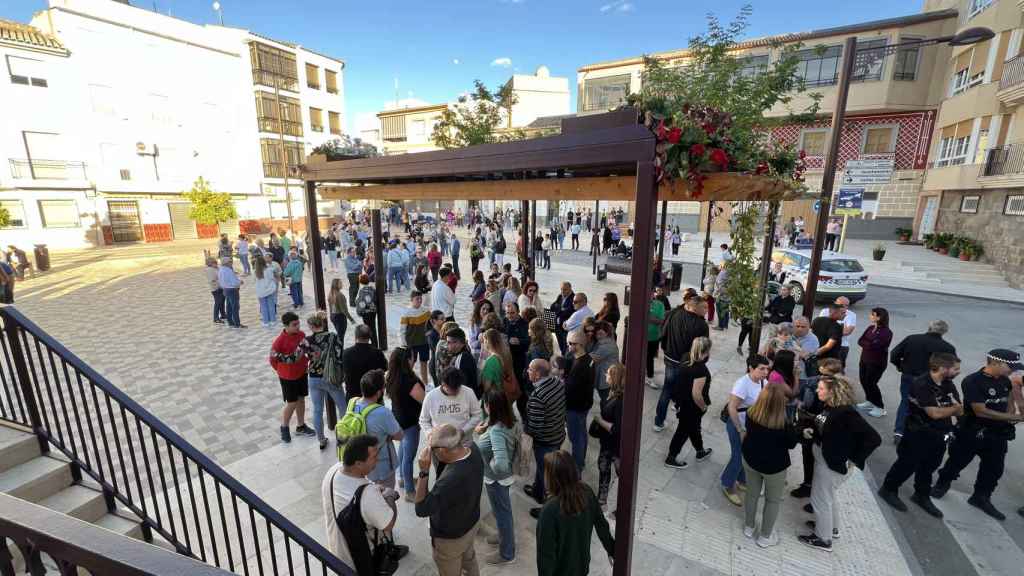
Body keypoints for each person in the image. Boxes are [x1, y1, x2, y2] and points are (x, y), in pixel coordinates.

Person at [931, 349, 1024, 521]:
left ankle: (981, 497)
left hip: (997, 434)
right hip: (972, 431)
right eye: (1009, 366)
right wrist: (1015, 417)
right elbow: (980, 411)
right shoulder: (973, 381)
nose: (1013, 370)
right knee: (957, 461)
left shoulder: (1005, 381)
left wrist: (1011, 416)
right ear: (995, 363)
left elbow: (1009, 403)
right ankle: (942, 484)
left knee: (994, 469)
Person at [798, 374, 881, 552]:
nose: (817, 390)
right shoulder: (829, 406)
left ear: (832, 392)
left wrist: (854, 459)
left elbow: (874, 438)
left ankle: (823, 539)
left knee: (820, 499)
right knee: (828, 497)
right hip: (824, 458)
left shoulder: (846, 413)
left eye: (821, 388)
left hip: (832, 464)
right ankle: (831, 529)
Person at [877, 353, 962, 518]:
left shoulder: (948, 384)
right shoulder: (922, 384)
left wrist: (955, 412)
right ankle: (888, 489)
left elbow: (959, 408)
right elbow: (934, 413)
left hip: (939, 434)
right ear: (943, 368)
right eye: (955, 369)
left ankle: (921, 495)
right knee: (907, 464)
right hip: (918, 433)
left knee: (930, 466)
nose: (958, 372)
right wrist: (954, 409)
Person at [321, 434, 406, 570]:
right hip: (359, 558)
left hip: (337, 547)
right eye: (373, 457)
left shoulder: (333, 471)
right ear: (358, 463)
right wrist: (389, 496)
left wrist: (375, 488)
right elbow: (388, 524)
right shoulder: (367, 495)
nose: (377, 460)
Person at [415, 424, 485, 576]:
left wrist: (423, 471)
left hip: (450, 538)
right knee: (469, 559)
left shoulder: (449, 480)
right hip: (471, 522)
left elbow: (421, 508)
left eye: (432, 448)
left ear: (442, 451)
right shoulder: (473, 449)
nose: (430, 451)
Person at [535, 450, 614, 576]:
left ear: (552, 478)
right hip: (582, 568)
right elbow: (601, 525)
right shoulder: (586, 492)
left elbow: (545, 557)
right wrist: (612, 550)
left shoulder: (549, 511)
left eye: (545, 472)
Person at [742, 384, 799, 548]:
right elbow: (792, 444)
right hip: (774, 468)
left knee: (752, 494)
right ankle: (765, 537)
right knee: (772, 501)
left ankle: (749, 526)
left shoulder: (751, 414)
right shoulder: (784, 424)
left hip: (751, 459)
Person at [890, 319, 956, 444]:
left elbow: (894, 354)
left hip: (909, 376)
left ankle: (899, 431)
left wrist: (901, 367)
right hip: (931, 381)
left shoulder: (912, 339)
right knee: (929, 405)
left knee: (906, 403)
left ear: (929, 327)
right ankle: (920, 433)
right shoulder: (947, 348)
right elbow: (952, 368)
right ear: (944, 332)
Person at [475, 389, 519, 565]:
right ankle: (502, 536)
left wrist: (489, 463)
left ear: (489, 407)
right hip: (503, 478)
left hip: (496, 479)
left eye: (485, 404)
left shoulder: (496, 431)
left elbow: (501, 464)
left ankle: (506, 553)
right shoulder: (510, 421)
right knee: (501, 512)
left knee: (502, 514)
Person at [722, 355, 770, 506]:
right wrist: (740, 429)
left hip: (751, 426)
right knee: (738, 457)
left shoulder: (764, 382)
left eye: (767, 368)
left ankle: (741, 480)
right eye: (761, 369)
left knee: (746, 454)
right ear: (751, 368)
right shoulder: (742, 384)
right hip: (737, 424)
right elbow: (732, 407)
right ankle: (727, 485)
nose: (765, 372)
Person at [656, 294, 709, 431]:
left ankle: (658, 421)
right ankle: (678, 409)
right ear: (695, 307)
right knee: (684, 389)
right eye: (704, 307)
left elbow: (664, 331)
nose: (707, 310)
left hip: (669, 357)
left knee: (667, 389)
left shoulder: (674, 313)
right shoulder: (701, 325)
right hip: (686, 362)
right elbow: (702, 348)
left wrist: (665, 348)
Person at [420, 368, 483, 475]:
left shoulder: (468, 392)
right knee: (442, 477)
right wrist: (431, 434)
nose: (455, 392)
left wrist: (463, 431)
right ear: (443, 384)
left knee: (464, 476)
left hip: (463, 446)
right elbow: (423, 420)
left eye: (457, 388)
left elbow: (477, 415)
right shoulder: (431, 397)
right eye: (451, 389)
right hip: (440, 450)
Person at [524, 359, 566, 513]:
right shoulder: (557, 383)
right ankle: (537, 491)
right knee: (543, 470)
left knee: (548, 475)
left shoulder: (538, 396)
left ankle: (548, 508)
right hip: (557, 434)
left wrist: (526, 434)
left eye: (529, 369)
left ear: (537, 374)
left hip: (545, 442)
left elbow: (536, 427)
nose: (527, 371)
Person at [665, 337, 713, 469]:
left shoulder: (685, 357)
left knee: (694, 427)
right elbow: (697, 394)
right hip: (692, 407)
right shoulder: (700, 370)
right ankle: (671, 457)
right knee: (683, 431)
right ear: (706, 352)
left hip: (683, 402)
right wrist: (703, 407)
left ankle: (700, 451)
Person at [385, 347, 425, 502]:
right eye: (413, 357)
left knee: (403, 447)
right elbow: (424, 401)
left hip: (398, 419)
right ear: (407, 360)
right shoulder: (410, 382)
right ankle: (409, 491)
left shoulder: (391, 376)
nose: (414, 360)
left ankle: (402, 478)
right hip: (410, 422)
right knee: (409, 457)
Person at [270, 312, 315, 443]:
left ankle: (301, 426)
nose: (298, 326)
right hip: (288, 377)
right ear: (286, 326)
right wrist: (282, 371)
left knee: (301, 399)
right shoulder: (279, 342)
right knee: (292, 402)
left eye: (298, 323)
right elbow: (273, 360)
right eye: (294, 325)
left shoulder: (301, 335)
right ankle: (284, 427)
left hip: (301, 373)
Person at [305, 312, 348, 450]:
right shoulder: (333, 337)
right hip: (331, 377)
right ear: (322, 324)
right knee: (342, 407)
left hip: (314, 377)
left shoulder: (307, 340)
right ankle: (343, 437)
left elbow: (298, 356)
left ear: (311, 326)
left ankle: (321, 440)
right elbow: (340, 355)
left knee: (317, 410)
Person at [592, 363, 624, 508]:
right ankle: (602, 498)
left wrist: (599, 420)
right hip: (607, 443)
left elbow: (616, 428)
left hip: (615, 445)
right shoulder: (612, 393)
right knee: (603, 469)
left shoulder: (620, 401)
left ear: (615, 378)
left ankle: (621, 504)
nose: (606, 376)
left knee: (620, 473)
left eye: (608, 374)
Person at [564, 330, 594, 473]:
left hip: (575, 407)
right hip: (584, 405)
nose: (569, 346)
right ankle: (580, 460)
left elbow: (570, 389)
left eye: (571, 343)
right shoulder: (587, 359)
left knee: (576, 437)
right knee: (581, 433)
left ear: (580, 344)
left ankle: (577, 467)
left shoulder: (581, 366)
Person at [857, 307, 893, 418]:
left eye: (873, 314)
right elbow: (860, 340)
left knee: (871, 383)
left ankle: (880, 407)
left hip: (876, 362)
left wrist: (868, 343)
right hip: (864, 359)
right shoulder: (870, 328)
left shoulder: (886, 332)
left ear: (879, 317)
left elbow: (876, 346)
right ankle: (870, 400)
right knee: (863, 381)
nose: (870, 316)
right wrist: (869, 343)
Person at [342, 325, 388, 410]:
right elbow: (384, 370)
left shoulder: (346, 354)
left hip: (353, 398)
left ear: (356, 336)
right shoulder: (377, 353)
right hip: (374, 398)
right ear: (370, 336)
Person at [399, 291, 432, 385]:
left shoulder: (426, 311)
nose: (419, 300)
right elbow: (402, 329)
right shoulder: (406, 313)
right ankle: (406, 382)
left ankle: (425, 383)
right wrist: (404, 342)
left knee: (424, 363)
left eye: (420, 298)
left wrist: (429, 332)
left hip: (424, 342)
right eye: (417, 299)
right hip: (411, 343)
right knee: (410, 363)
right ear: (411, 300)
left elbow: (431, 324)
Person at [588, 321, 619, 405]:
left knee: (606, 400)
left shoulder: (607, 346)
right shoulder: (603, 342)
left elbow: (589, 358)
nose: (598, 336)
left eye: (601, 334)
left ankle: (607, 414)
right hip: (605, 377)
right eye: (597, 334)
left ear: (607, 333)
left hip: (607, 380)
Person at [445, 328, 480, 398]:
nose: (447, 345)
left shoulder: (463, 358)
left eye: (449, 342)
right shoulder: (463, 354)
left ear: (457, 343)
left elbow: (463, 384)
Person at [645, 288, 666, 389]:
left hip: (653, 337)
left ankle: (649, 377)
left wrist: (648, 317)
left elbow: (661, 321)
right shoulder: (640, 303)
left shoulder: (659, 305)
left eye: (651, 293)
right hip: (639, 337)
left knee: (650, 358)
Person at [218, 257, 244, 328]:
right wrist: (240, 282)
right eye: (230, 262)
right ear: (226, 263)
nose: (231, 263)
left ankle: (230, 322)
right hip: (232, 290)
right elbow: (234, 282)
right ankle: (237, 323)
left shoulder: (221, 269)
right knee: (235, 307)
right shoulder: (228, 270)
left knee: (229, 306)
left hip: (225, 289)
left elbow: (220, 281)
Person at [253, 255, 279, 328]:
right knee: (271, 305)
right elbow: (275, 276)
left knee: (263, 307)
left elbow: (254, 281)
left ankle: (266, 322)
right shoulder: (270, 269)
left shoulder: (255, 272)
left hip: (261, 291)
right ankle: (273, 321)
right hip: (270, 290)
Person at [327, 278, 355, 343]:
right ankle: (340, 352)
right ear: (336, 285)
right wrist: (351, 319)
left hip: (333, 316)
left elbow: (330, 307)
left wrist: (331, 316)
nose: (342, 284)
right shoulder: (340, 295)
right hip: (340, 317)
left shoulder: (331, 293)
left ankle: (339, 350)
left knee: (339, 336)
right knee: (341, 338)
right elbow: (344, 310)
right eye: (340, 283)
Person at [354, 275, 379, 348]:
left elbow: (359, 302)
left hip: (365, 312)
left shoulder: (361, 291)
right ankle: (375, 344)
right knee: (373, 327)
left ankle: (373, 344)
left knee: (368, 328)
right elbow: (375, 299)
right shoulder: (372, 289)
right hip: (373, 311)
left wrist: (359, 312)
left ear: (360, 281)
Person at [551, 282, 575, 355]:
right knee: (561, 345)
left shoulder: (574, 298)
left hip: (565, 327)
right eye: (561, 289)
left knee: (565, 346)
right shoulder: (560, 296)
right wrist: (561, 309)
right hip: (557, 326)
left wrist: (558, 309)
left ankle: (565, 360)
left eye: (565, 289)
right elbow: (552, 307)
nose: (562, 291)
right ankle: (562, 355)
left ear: (570, 289)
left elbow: (568, 312)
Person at [205, 257, 226, 325]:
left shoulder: (216, 268)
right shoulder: (209, 270)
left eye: (216, 262)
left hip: (221, 287)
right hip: (216, 289)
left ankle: (223, 314)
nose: (216, 263)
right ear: (209, 264)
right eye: (214, 262)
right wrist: (220, 281)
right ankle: (216, 318)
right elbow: (212, 280)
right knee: (218, 303)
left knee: (222, 302)